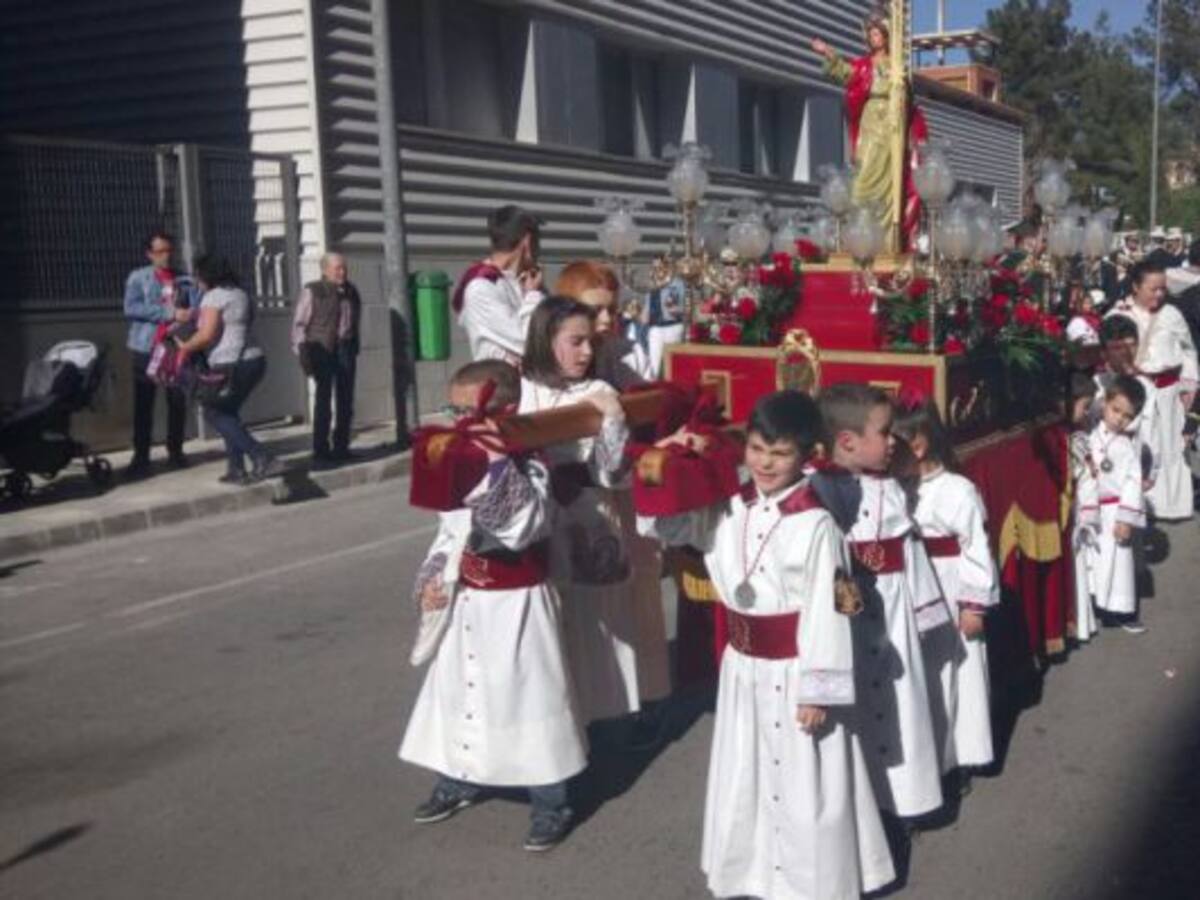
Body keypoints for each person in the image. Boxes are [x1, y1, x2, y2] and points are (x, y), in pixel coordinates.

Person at [638, 390, 895, 900]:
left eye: (780, 454)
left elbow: (830, 610)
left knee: (805, 780)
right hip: (744, 669)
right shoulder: (731, 506)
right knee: (748, 770)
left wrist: (817, 690)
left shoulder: (817, 524)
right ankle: (753, 874)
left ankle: (812, 883)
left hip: (796, 669)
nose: (766, 464)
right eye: (757, 449)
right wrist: (667, 458)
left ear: (807, 456)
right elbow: (665, 524)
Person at [399, 360, 586, 852]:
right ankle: (459, 777)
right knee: (462, 696)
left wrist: (492, 464)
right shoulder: (462, 456)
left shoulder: (531, 461)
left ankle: (551, 800)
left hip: (518, 604)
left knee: (528, 701)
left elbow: (525, 526)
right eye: (454, 410)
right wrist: (432, 581)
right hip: (468, 601)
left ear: (504, 410)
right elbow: (449, 531)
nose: (460, 421)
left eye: (469, 410)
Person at [813, 382, 946, 821]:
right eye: (885, 433)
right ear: (848, 441)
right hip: (844, 622)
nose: (894, 441)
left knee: (900, 703)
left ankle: (905, 801)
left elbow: (908, 548)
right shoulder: (817, 491)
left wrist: (926, 615)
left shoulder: (890, 487)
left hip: (891, 612)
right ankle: (862, 807)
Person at [554, 263, 670, 730]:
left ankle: (639, 699)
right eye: (595, 312)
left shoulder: (622, 352)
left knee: (636, 595)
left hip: (622, 489)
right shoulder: (558, 362)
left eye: (612, 310)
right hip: (579, 497)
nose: (606, 322)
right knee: (587, 607)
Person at [518, 297, 643, 729]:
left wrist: (612, 422)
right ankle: (553, 725)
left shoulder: (599, 393)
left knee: (597, 629)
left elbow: (613, 472)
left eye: (590, 342)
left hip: (586, 516)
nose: (587, 352)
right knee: (547, 632)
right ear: (545, 340)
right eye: (575, 342)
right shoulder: (521, 389)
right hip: (536, 522)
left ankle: (606, 722)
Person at [892, 399, 998, 777]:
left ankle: (957, 757)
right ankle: (925, 762)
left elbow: (977, 547)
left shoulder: (958, 490)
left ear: (918, 446)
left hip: (950, 584)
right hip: (910, 584)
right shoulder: (896, 487)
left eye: (895, 444)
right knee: (923, 675)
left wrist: (974, 604)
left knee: (955, 670)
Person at [810, 11, 928, 249]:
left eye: (878, 34)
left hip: (893, 125)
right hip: (871, 120)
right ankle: (859, 232)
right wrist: (827, 51)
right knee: (863, 178)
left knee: (892, 180)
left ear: (886, 37)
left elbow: (909, 99)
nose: (875, 38)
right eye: (871, 34)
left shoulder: (898, 66)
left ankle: (886, 241)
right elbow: (845, 71)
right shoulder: (864, 65)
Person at [174, 256, 282, 485]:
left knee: (214, 412)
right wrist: (195, 315)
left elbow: (207, 334)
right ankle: (236, 468)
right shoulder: (240, 293)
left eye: (198, 275)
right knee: (228, 412)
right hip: (254, 359)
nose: (196, 280)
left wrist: (184, 347)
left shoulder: (213, 296)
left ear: (206, 275)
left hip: (230, 363)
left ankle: (262, 457)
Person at [1107, 261, 1197, 520]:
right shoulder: (1119, 314)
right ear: (1135, 286)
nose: (1159, 294)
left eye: (1162, 289)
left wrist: (1189, 385)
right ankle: (1136, 503)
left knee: (1170, 445)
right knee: (1138, 445)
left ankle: (1171, 505)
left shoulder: (1172, 314)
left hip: (1169, 393)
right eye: (1152, 289)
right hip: (1136, 391)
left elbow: (1188, 350)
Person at [1077, 375, 1149, 634]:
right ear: (1105, 403)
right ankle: (1097, 605)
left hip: (1115, 511)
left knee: (1118, 563)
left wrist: (1125, 519)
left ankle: (1122, 611)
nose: (1119, 418)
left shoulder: (1127, 446)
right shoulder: (1090, 433)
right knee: (1094, 560)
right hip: (1092, 508)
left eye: (1127, 415)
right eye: (1115, 409)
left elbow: (1132, 482)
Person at [122, 230, 196, 478]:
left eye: (168, 251)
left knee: (177, 400)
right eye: (160, 251)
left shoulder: (183, 279)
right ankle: (141, 456)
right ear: (149, 254)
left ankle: (175, 450)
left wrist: (186, 315)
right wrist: (167, 313)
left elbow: (193, 305)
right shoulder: (138, 278)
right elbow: (131, 308)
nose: (166, 256)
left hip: (174, 346)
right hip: (146, 346)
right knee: (144, 402)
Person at [291, 253, 362, 467]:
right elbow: (299, 324)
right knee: (324, 399)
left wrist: (354, 345)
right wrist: (302, 351)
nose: (342, 272)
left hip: (345, 348)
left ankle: (342, 447)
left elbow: (354, 322)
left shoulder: (351, 291)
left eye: (344, 268)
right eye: (337, 268)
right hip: (322, 349)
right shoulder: (313, 290)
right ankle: (321, 450)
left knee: (346, 399)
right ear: (325, 270)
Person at [453, 205, 546, 364]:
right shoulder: (482, 287)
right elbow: (529, 342)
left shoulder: (523, 280)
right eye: (538, 242)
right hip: (500, 385)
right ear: (527, 242)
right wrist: (533, 296)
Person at [1068, 372, 1102, 644]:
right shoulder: (1066, 437)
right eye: (1084, 404)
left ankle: (1080, 622)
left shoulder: (1078, 437)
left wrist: (1088, 514)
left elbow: (1088, 476)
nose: (1088, 410)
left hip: (1076, 511)